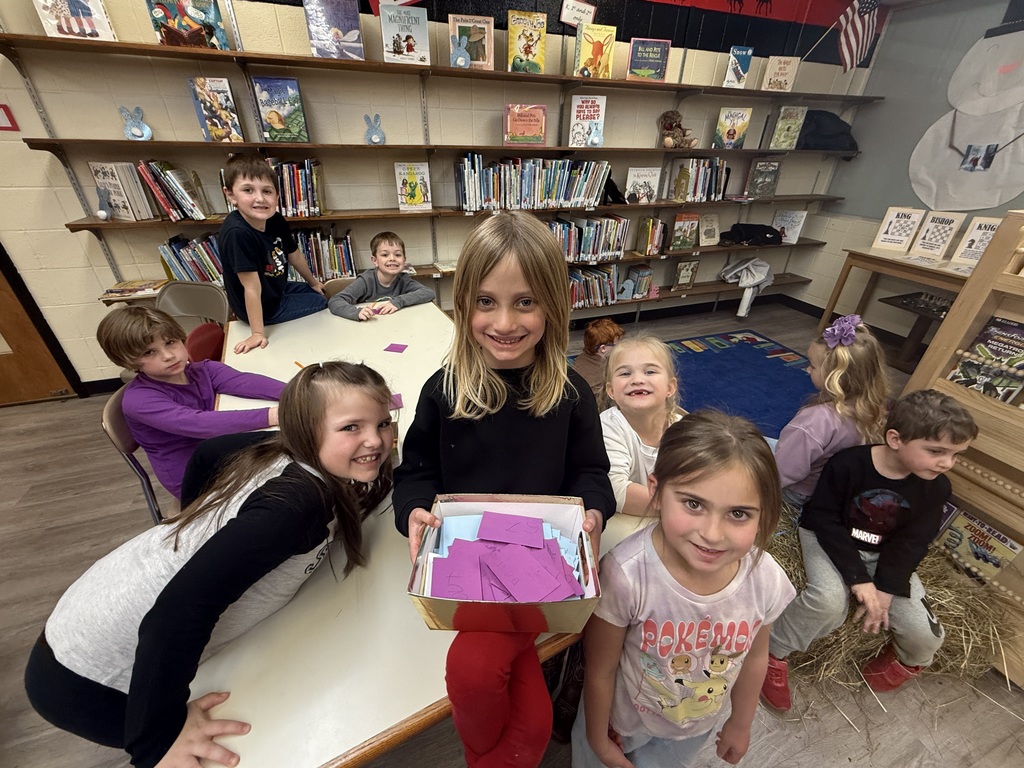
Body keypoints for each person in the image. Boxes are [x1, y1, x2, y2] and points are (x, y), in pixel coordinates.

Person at [24, 361, 395, 768]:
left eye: (383, 423)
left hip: (91, 606)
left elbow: (206, 454)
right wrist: (157, 744)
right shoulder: (299, 503)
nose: (375, 440)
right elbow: (179, 612)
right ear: (307, 430)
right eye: (351, 428)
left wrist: (202, 531)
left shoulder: (281, 443)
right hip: (88, 678)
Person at [393, 210, 615, 767]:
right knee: (509, 703)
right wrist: (414, 512)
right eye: (486, 302)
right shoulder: (442, 391)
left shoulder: (570, 394)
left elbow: (592, 473)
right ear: (463, 303)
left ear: (553, 305)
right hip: (467, 565)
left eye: (525, 302)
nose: (505, 322)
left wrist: (593, 512)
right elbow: (415, 472)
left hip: (543, 566)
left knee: (486, 679)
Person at [572, 410, 795, 768]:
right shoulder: (626, 576)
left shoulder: (765, 578)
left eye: (738, 513)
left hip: (695, 726)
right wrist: (598, 739)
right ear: (657, 493)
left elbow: (755, 656)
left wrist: (740, 722)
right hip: (620, 724)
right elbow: (600, 668)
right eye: (694, 504)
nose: (712, 533)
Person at [761, 389, 979, 712]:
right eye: (936, 451)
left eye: (955, 454)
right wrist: (858, 579)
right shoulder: (848, 465)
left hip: (884, 554)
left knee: (927, 636)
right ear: (894, 439)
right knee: (828, 603)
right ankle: (771, 653)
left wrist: (888, 587)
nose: (947, 463)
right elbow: (822, 519)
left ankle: (906, 664)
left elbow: (913, 541)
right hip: (831, 539)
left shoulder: (937, 486)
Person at [96, 305, 285, 500]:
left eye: (170, 342)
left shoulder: (203, 370)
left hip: (223, 454)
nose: (168, 355)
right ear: (129, 361)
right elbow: (200, 423)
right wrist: (272, 415)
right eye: (149, 352)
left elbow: (245, 382)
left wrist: (300, 393)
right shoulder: (139, 401)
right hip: (199, 482)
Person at [775, 314, 889, 507]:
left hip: (796, 493)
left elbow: (784, 472)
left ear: (836, 377)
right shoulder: (871, 407)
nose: (807, 370)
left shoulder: (815, 420)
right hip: (827, 490)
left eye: (813, 366)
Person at [218, 153, 326, 354]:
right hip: (262, 306)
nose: (260, 199)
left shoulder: (275, 219)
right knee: (321, 301)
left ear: (277, 196)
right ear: (231, 195)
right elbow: (251, 287)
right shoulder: (237, 233)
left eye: (267, 191)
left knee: (319, 291)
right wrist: (257, 333)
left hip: (276, 290)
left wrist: (313, 282)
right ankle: (260, 325)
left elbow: (295, 255)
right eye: (248, 190)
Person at [601, 331, 686, 516]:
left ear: (670, 387)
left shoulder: (683, 429)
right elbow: (615, 489)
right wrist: (684, 506)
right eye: (625, 373)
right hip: (626, 522)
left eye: (650, 371)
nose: (637, 380)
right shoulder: (608, 427)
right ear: (611, 391)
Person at [328, 231, 435, 321]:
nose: (392, 258)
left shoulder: (403, 279)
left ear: (404, 260)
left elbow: (428, 293)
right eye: (385, 255)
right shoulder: (366, 281)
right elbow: (335, 301)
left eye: (398, 255)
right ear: (375, 261)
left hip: (396, 325)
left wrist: (398, 302)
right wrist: (356, 313)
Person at [571, 317, 624, 399]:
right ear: (603, 348)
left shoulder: (580, 358)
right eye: (616, 344)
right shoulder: (606, 369)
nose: (619, 347)